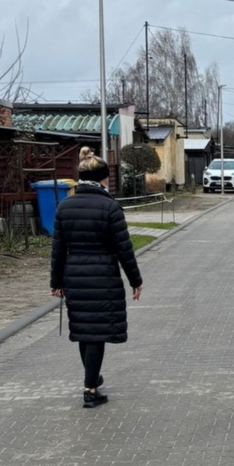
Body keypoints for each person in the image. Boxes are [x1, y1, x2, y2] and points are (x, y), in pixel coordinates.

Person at [50, 146, 143, 408]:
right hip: (103, 278)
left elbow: (58, 249)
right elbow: (124, 249)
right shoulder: (111, 207)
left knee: (84, 331)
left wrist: (56, 282)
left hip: (74, 278)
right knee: (96, 334)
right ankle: (90, 390)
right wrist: (135, 280)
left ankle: (92, 377)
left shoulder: (64, 207)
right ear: (105, 178)